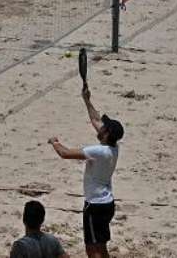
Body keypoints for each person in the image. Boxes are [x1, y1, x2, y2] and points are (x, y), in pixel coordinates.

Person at [48, 86, 124, 258]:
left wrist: (54, 142)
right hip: (108, 204)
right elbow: (96, 120)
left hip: (95, 206)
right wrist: (87, 100)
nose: (101, 126)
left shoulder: (99, 152)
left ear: (106, 133)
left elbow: (65, 153)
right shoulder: (114, 147)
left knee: (92, 249)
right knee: (102, 246)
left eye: (104, 127)